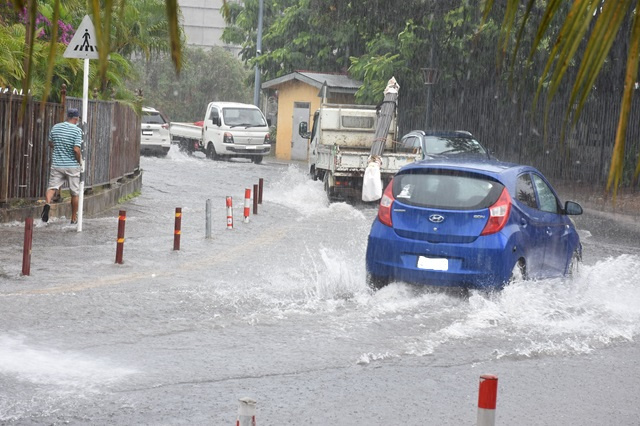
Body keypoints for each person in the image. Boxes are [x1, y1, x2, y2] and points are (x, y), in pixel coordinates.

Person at [41, 108, 83, 224]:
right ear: (76, 118)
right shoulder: (77, 131)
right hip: (72, 166)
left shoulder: (56, 127)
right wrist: (80, 161)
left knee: (52, 187)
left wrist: (59, 148)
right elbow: (76, 149)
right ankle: (73, 218)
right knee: (74, 193)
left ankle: (47, 203)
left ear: (67, 117)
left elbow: (50, 143)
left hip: (57, 164)